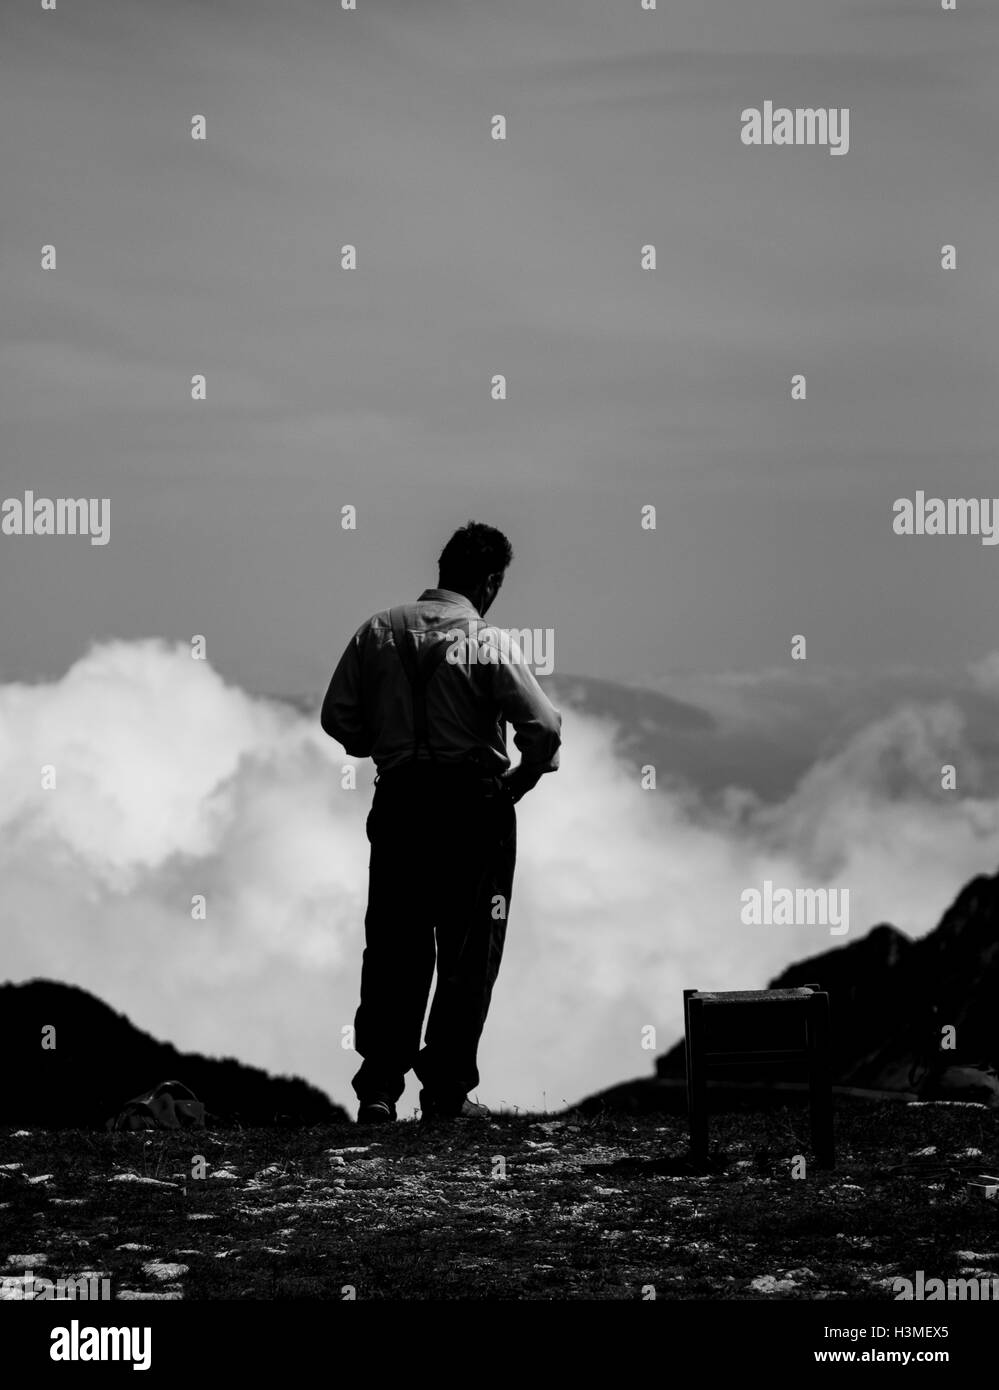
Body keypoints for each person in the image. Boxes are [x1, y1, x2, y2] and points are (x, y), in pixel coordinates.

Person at [321, 521, 562, 1123]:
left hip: (400, 804)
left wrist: (383, 743)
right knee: (468, 952)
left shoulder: (376, 631)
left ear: (441, 568)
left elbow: (337, 718)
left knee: (394, 946)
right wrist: (523, 780)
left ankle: (378, 1087)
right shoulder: (487, 642)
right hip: (473, 808)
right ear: (489, 581)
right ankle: (446, 1092)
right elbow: (545, 729)